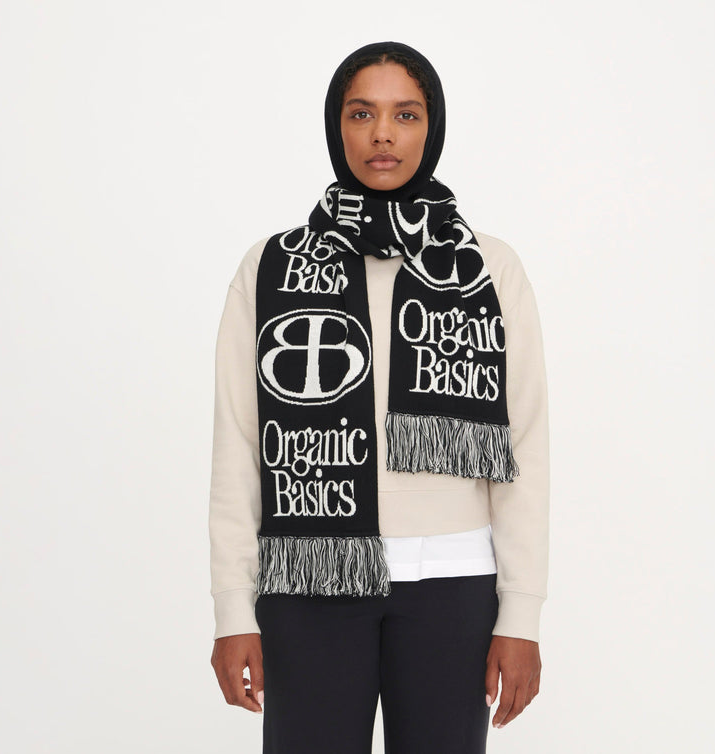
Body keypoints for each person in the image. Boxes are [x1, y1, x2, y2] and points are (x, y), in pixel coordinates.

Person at [208, 41, 550, 754]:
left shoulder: (489, 268)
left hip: (453, 587)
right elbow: (239, 447)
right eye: (362, 113)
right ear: (337, 126)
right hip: (309, 583)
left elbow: (524, 448)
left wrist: (520, 615)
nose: (384, 134)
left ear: (433, 127)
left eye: (406, 114)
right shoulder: (270, 267)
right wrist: (233, 609)